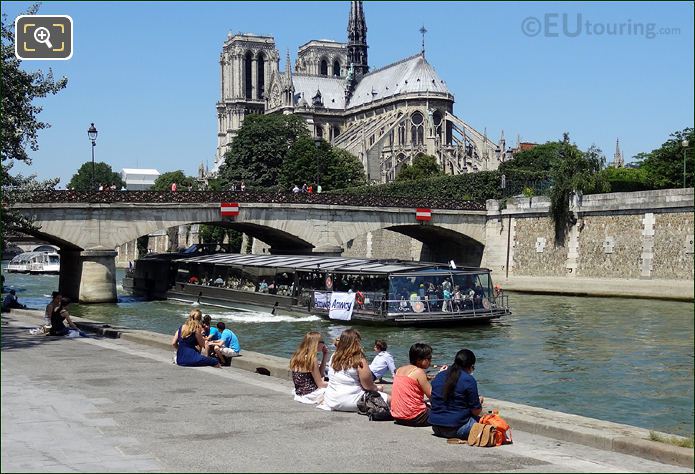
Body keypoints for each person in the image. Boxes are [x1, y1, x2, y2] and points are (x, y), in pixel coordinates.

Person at [318, 328, 388, 412]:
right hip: (351, 401)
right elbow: (368, 386)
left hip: (331, 400)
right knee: (390, 399)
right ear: (356, 343)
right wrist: (378, 388)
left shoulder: (334, 356)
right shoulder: (359, 359)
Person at [429, 349, 484, 439]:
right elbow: (476, 411)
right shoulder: (469, 380)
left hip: (436, 427)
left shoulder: (439, 375)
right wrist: (479, 402)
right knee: (491, 425)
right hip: (457, 429)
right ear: (470, 366)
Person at [391, 343, 438, 427]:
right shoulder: (419, 372)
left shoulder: (399, 370)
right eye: (429, 358)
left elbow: (410, 382)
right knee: (445, 413)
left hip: (397, 416)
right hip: (415, 418)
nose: (430, 361)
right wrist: (441, 377)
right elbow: (432, 395)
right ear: (419, 360)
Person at [289, 331, 329, 404]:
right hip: (310, 394)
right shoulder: (312, 359)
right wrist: (335, 384)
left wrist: (325, 355)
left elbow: (320, 375)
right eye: (322, 342)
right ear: (316, 343)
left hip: (300, 393)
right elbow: (320, 384)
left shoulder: (297, 356)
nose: (324, 344)